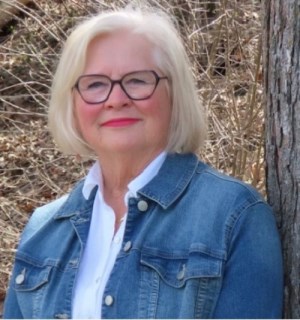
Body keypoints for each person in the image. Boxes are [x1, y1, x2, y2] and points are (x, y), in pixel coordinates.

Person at [4, 4, 283, 319]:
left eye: (137, 80)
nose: (116, 99)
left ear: (174, 93)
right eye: (95, 84)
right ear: (72, 103)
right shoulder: (43, 230)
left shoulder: (234, 216)